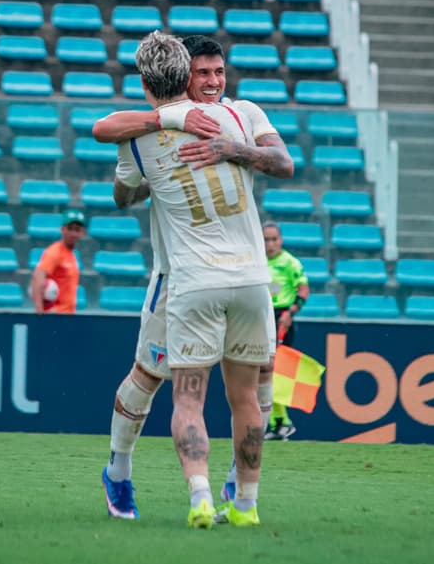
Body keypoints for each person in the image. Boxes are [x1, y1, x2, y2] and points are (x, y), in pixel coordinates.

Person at [96, 36, 293, 523]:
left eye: (218, 72)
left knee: (254, 384)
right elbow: (123, 189)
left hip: (232, 274)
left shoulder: (241, 114)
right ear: (182, 76)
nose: (212, 81)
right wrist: (162, 167)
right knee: (149, 375)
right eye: (202, 73)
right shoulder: (149, 129)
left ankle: (233, 483)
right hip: (177, 276)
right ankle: (119, 471)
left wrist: (231, 151)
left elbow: (285, 164)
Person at [261, 221, 310, 440]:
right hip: (262, 317)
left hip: (282, 319)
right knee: (263, 372)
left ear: (280, 240)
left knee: (275, 371)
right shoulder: (257, 262)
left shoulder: (291, 263)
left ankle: (279, 422)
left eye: (273, 239)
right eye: (266, 239)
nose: (270, 244)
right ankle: (280, 423)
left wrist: (290, 314)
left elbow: (303, 291)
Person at [30, 209, 85, 314]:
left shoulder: (70, 254)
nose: (73, 234)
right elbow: (37, 277)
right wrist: (39, 311)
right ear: (62, 229)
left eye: (77, 230)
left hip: (67, 316)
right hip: (55, 315)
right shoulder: (55, 252)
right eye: (70, 229)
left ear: (82, 232)